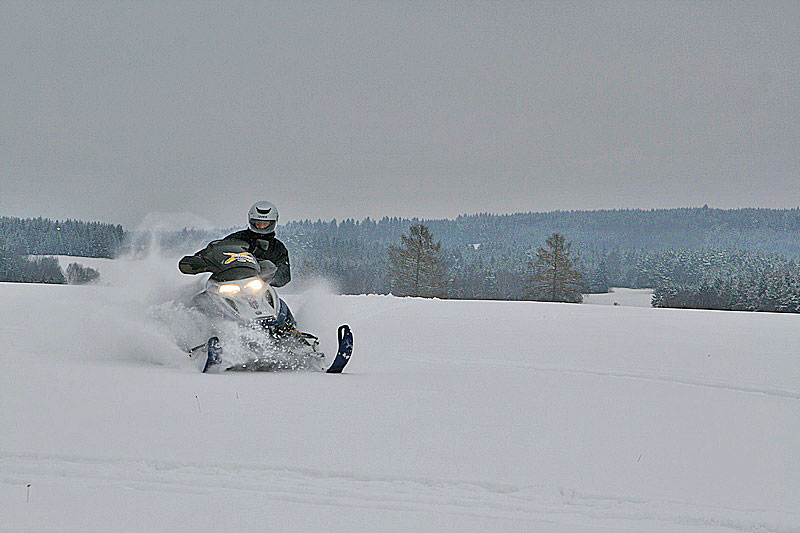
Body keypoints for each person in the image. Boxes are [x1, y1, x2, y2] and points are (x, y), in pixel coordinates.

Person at [178, 201, 291, 287]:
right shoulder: (236, 239)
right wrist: (198, 260)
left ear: (272, 223)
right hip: (229, 283)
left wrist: (271, 277)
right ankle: (182, 309)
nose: (261, 226)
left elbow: (285, 273)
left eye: (265, 224)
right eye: (258, 223)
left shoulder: (278, 248)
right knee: (201, 299)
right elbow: (215, 251)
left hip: (258, 287)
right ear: (251, 221)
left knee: (279, 306)